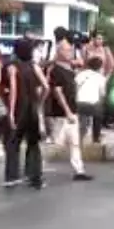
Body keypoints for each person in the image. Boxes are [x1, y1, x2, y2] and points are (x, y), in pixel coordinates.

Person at [2, 38, 47, 189]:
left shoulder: (12, 67)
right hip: (33, 108)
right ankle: (35, 177)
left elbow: (14, 89)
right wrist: (39, 100)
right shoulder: (34, 66)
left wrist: (11, 112)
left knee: (13, 143)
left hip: (20, 108)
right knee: (33, 144)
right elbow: (46, 86)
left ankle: (12, 176)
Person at [47, 43, 92, 182]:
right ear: (59, 52)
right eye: (66, 50)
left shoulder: (69, 69)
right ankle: (36, 168)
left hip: (72, 111)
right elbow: (57, 91)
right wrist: (67, 111)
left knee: (74, 142)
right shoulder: (56, 70)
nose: (70, 52)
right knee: (57, 143)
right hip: (61, 114)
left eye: (71, 50)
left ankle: (79, 170)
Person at [75, 56, 107, 144]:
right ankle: (96, 137)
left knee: (82, 122)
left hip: (80, 102)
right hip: (93, 104)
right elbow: (103, 94)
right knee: (98, 116)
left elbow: (75, 86)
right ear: (100, 67)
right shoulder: (101, 78)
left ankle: (80, 137)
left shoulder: (81, 74)